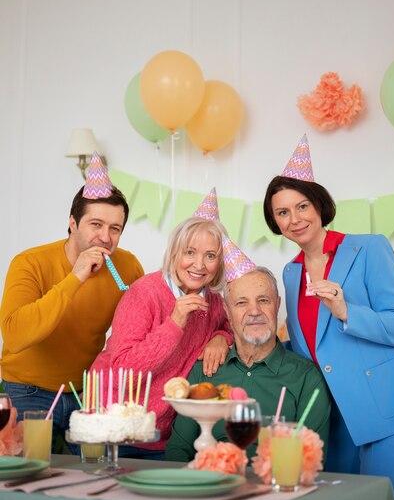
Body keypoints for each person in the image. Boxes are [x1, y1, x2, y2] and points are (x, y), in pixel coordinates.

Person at [263, 134, 394, 500]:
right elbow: (309, 346)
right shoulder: (290, 272)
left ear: (319, 205)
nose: (294, 219)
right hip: (332, 419)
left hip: (386, 409)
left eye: (302, 206)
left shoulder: (369, 248)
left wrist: (347, 312)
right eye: (282, 212)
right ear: (275, 222)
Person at [0, 153, 144, 450]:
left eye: (115, 228)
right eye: (96, 224)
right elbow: (14, 335)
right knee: (28, 474)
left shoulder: (127, 267)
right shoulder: (29, 263)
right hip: (28, 392)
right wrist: (75, 278)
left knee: (96, 473)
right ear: (73, 223)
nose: (105, 237)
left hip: (87, 393)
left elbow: (142, 324)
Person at [90, 213, 234, 459]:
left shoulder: (214, 303)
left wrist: (222, 337)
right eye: (190, 252)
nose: (199, 265)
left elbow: (230, 326)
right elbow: (123, 372)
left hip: (162, 436)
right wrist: (175, 322)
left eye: (210, 256)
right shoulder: (144, 294)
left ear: (220, 263)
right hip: (113, 427)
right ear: (175, 253)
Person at [166, 263, 331, 463]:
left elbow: (311, 458)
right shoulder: (205, 370)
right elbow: (178, 450)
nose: (254, 311)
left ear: (277, 304)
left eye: (263, 300)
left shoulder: (306, 378)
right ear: (227, 311)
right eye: (241, 303)